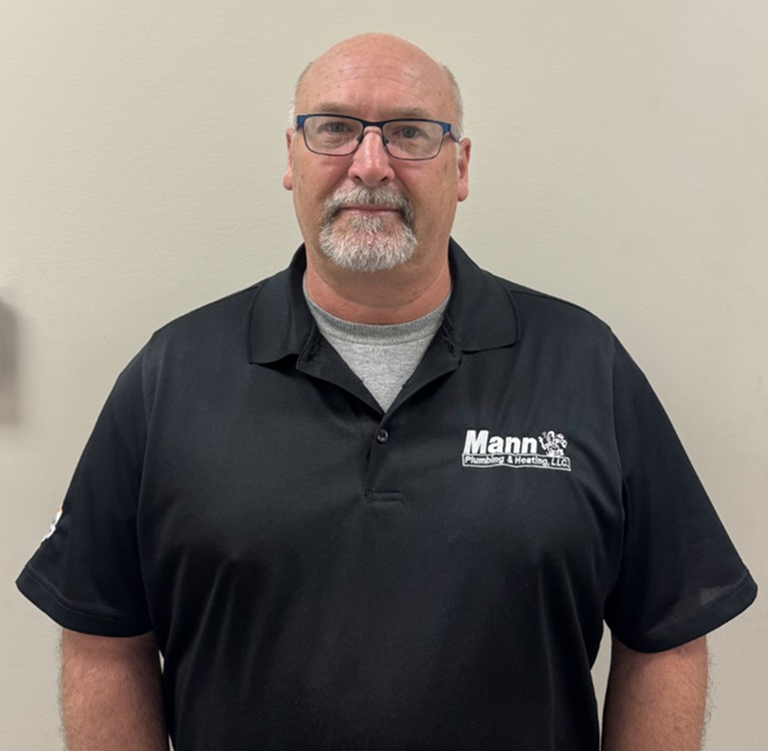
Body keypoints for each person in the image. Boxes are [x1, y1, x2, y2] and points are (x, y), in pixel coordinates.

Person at [17, 33, 756, 751]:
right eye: (335, 128)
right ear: (291, 158)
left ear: (460, 166)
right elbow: (102, 632)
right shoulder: (170, 375)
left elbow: (668, 628)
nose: (370, 165)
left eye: (409, 133)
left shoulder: (584, 363)